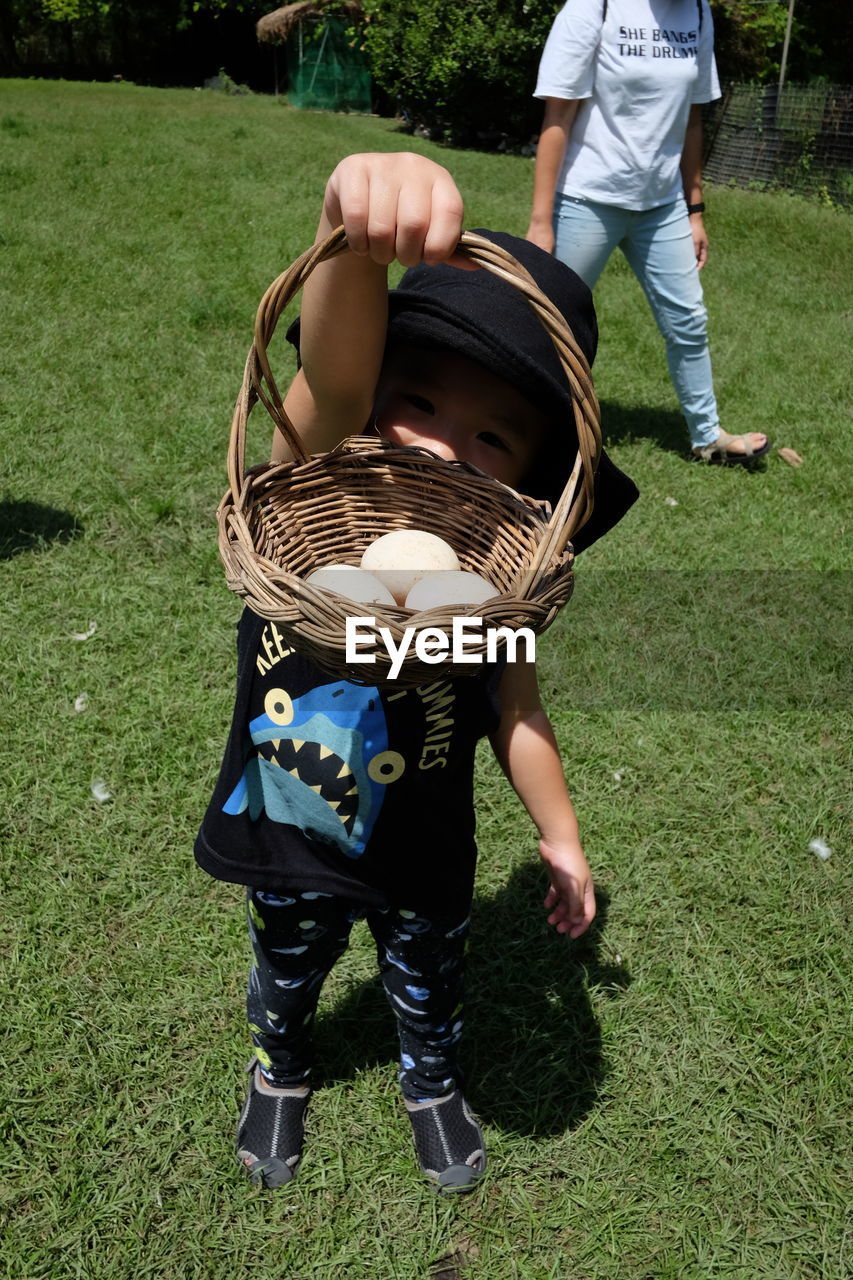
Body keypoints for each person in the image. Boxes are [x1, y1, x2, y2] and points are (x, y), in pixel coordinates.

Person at [195, 152, 638, 1194]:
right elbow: (338, 375)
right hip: (289, 823)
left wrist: (562, 836)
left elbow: (517, 716)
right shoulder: (309, 495)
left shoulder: (487, 593)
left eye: (491, 438)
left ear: (529, 484)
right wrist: (349, 223)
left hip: (425, 843)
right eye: (420, 401)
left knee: (429, 973)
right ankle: (280, 1064)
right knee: (288, 967)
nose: (442, 451)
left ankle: (430, 1080)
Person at [526, 0, 772, 463]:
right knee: (550, 322)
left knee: (688, 321)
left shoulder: (697, 13)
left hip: (663, 207)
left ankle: (707, 438)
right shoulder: (593, 8)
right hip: (587, 199)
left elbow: (692, 120)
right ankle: (527, 430)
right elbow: (557, 118)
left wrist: (694, 208)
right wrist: (541, 221)